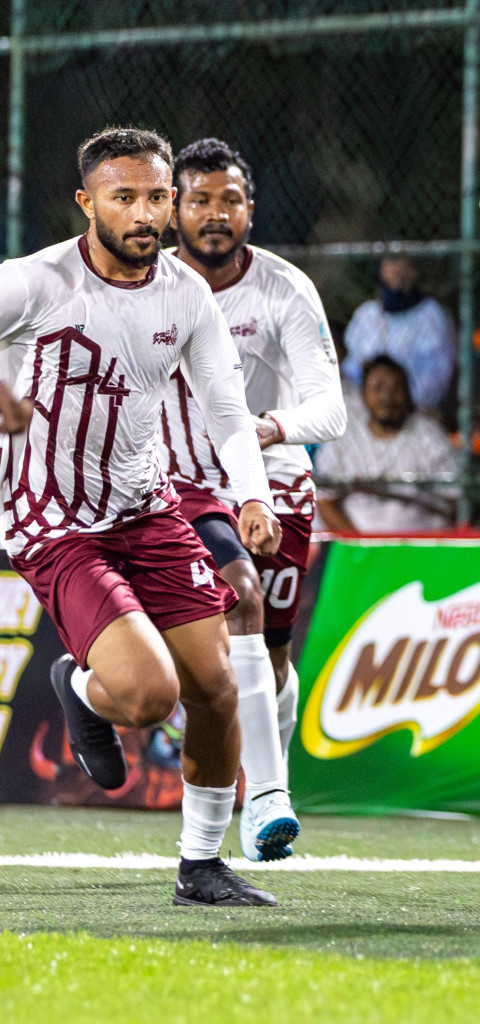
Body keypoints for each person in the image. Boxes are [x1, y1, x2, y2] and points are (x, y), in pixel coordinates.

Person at [5, 128, 280, 906]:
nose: (145, 213)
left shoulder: (185, 294)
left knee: (217, 686)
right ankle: (82, 690)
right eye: (123, 197)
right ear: (87, 202)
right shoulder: (36, 283)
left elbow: (228, 410)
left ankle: (200, 866)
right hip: (54, 525)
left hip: (147, 508)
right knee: (151, 695)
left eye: (157, 196)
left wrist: (251, 492)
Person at [156, 137, 348, 862]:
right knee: (206, 644)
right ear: (174, 209)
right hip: (177, 486)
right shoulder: (149, 285)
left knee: (266, 658)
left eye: (228, 200)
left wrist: (258, 431)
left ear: (251, 210)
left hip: (276, 483)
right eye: (198, 200)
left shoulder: (283, 288)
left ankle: (262, 794)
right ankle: (265, 795)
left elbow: (330, 413)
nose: (213, 214)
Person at [315, 355, 457, 533]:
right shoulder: (344, 438)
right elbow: (325, 502)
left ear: (408, 392)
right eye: (378, 388)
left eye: (395, 388)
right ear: (363, 395)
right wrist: (363, 546)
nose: (386, 396)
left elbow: (455, 500)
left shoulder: (428, 434)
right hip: (357, 551)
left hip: (422, 548)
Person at [341, 255, 455, 412]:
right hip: (366, 413)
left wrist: (400, 404)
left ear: (415, 271)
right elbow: (350, 371)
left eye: (403, 262)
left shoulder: (432, 314)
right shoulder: (366, 314)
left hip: (416, 413)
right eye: (390, 262)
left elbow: (438, 378)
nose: (396, 270)